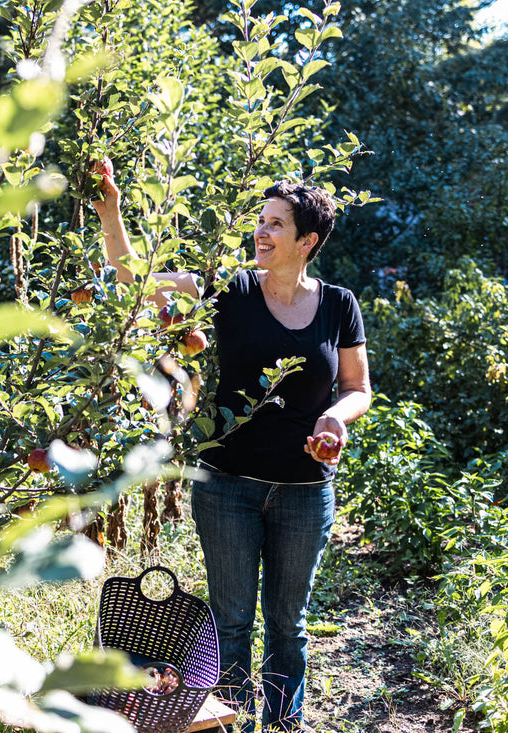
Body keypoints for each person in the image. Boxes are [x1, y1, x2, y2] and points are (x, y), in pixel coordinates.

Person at [91, 162, 371, 732]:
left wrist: (335, 419)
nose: (261, 232)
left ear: (307, 241)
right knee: (231, 620)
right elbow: (132, 277)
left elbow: (357, 388)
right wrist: (110, 208)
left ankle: (285, 724)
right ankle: (230, 726)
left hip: (304, 489)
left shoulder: (339, 304)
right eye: (260, 221)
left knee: (288, 622)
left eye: (275, 224)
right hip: (228, 486)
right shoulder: (232, 288)